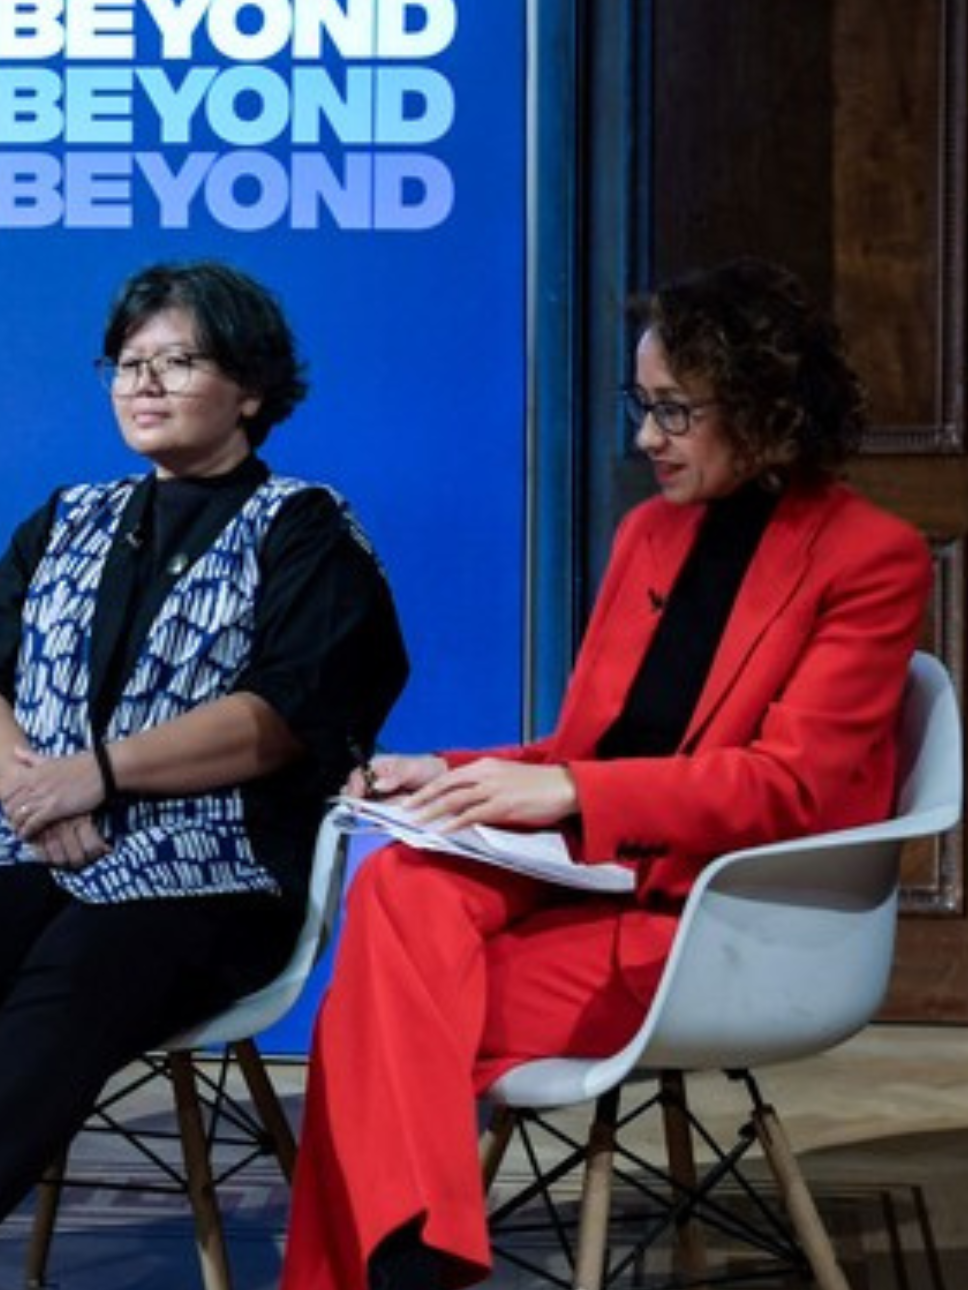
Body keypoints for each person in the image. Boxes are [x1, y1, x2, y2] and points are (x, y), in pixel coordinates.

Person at [278, 258, 931, 1290]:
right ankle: (412, 1260)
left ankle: (390, 1269)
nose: (643, 438)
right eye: (642, 405)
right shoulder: (647, 535)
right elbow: (592, 747)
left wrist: (576, 794)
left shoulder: (871, 557)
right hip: (597, 872)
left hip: (721, 913)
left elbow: (787, 785)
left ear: (765, 408)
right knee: (403, 884)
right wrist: (439, 773)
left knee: (373, 1027)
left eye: (673, 411)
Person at [0, 261, 409, 1290]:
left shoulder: (306, 530)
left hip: (212, 872)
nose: (143, 384)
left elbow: (282, 718)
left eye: (177, 361)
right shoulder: (68, 519)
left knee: (87, 958)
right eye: (128, 364)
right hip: (41, 837)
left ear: (251, 388)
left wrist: (97, 775)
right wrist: (27, 793)